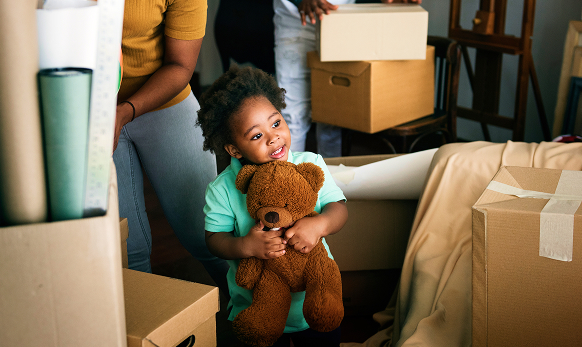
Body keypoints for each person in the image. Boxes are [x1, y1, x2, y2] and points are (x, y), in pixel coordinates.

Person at [196, 65, 349, 346]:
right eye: (256, 136)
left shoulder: (310, 163)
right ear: (234, 150)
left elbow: (338, 208)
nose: (273, 137)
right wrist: (245, 247)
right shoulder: (222, 189)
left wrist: (320, 224)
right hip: (257, 305)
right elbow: (214, 240)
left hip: (314, 298)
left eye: (276, 123)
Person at [113, 0, 229, 297]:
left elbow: (180, 66)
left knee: (207, 235)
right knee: (127, 252)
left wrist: (124, 111)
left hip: (163, 99)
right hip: (86, 109)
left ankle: (257, 318)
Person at [273, 0, 423, 158]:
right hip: (295, 24)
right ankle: (290, 178)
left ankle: (329, 178)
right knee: (292, 116)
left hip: (341, 22)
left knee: (332, 115)